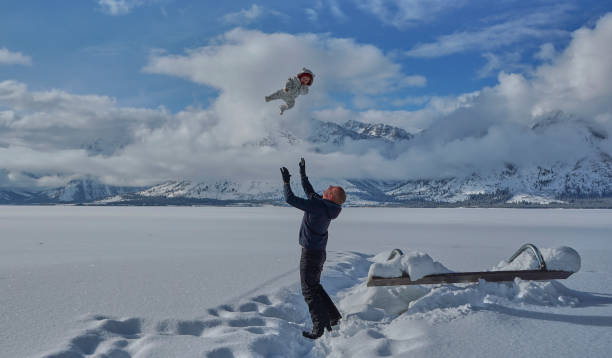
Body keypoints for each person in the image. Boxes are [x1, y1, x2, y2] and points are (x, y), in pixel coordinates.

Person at [280, 158, 346, 340]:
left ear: (331, 196)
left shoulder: (319, 206)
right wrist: (302, 175)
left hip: (310, 254)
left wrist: (286, 182)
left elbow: (290, 198)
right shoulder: (327, 207)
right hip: (318, 253)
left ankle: (319, 327)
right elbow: (310, 192)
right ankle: (333, 317)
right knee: (314, 286)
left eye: (329, 190)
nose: (325, 189)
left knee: (309, 291)